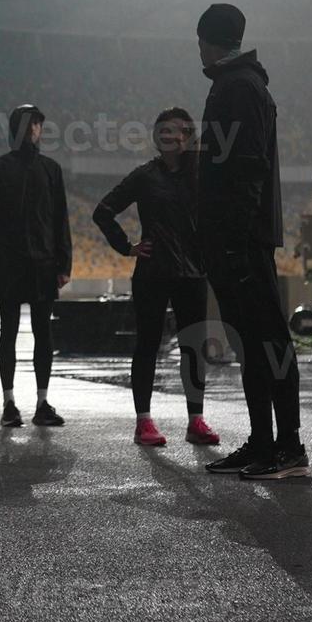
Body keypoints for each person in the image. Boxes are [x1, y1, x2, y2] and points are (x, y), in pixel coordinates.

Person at [194, 3, 308, 481]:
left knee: (269, 342)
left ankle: (289, 449)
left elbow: (247, 170)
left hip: (241, 241)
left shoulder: (238, 87)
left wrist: (234, 241)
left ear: (208, 39)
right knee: (253, 344)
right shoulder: (239, 84)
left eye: (199, 39)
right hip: (237, 238)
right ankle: (264, 443)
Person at [93, 108, 220, 447]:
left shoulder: (203, 175)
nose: (168, 135)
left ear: (189, 136)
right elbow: (102, 211)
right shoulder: (144, 175)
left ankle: (196, 421)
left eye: (176, 130)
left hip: (193, 273)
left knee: (194, 347)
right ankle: (144, 422)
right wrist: (127, 247)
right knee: (148, 345)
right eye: (162, 130)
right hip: (152, 272)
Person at [0, 104, 71, 428]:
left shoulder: (51, 169)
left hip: (44, 264)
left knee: (43, 333)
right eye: (32, 124)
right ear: (19, 128)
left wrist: (64, 262)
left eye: (39, 124)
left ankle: (42, 402)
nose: (37, 129)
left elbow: (61, 220)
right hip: (9, 265)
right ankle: (9, 404)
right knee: (9, 332)